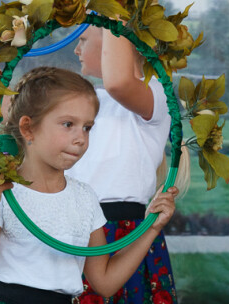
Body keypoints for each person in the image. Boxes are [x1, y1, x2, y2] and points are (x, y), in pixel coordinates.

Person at [0, 66, 179, 304]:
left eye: (87, 127)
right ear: (28, 128)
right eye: (67, 124)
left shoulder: (84, 198)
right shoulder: (1, 192)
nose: (80, 138)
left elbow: (104, 283)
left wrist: (152, 228)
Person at [68, 25, 188, 303]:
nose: (76, 49)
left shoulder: (157, 94)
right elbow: (14, 118)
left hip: (122, 236)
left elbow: (119, 81)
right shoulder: (89, 99)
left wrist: (114, 14)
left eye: (83, 39)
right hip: (71, 231)